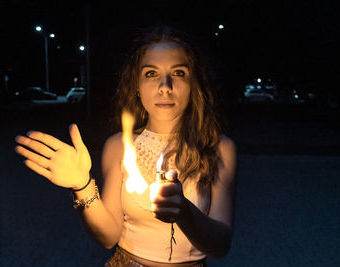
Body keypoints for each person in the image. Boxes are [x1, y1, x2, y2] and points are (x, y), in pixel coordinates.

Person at [14, 25, 237, 267]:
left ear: (194, 85)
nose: (165, 86)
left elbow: (220, 245)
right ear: (137, 87)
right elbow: (108, 237)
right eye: (151, 73)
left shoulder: (219, 148)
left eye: (179, 73)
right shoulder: (118, 146)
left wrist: (183, 211)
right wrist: (83, 186)